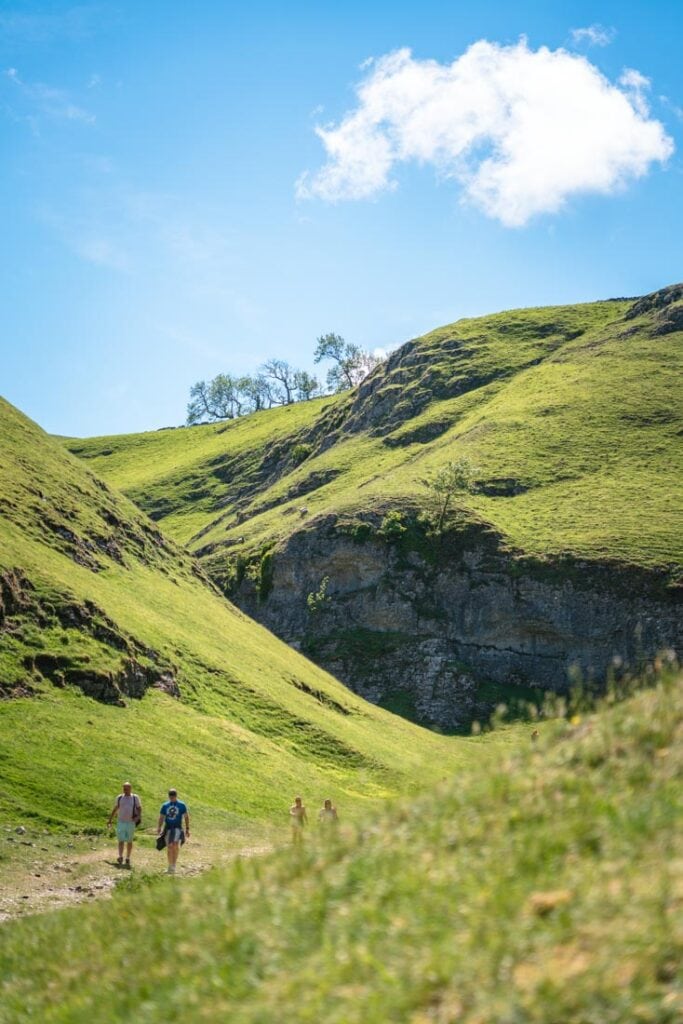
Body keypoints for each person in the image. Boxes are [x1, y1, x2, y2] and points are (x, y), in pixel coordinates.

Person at [107, 781, 142, 869]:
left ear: (130, 789)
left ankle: (128, 857)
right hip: (121, 822)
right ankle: (120, 856)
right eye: (124, 788)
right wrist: (110, 819)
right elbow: (116, 808)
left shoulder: (135, 798)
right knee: (121, 840)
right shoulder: (119, 797)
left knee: (129, 841)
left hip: (130, 822)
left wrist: (137, 817)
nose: (125, 790)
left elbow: (139, 808)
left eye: (127, 788)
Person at [157, 788, 190, 875]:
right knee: (169, 847)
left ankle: (173, 866)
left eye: (173, 796)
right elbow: (161, 817)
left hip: (177, 828)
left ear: (176, 796)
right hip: (168, 828)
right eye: (170, 796)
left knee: (175, 845)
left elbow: (186, 817)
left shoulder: (182, 805)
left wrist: (187, 828)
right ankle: (170, 865)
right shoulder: (165, 805)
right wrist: (159, 827)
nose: (172, 798)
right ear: (169, 796)